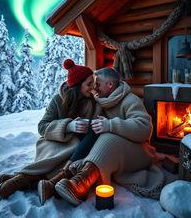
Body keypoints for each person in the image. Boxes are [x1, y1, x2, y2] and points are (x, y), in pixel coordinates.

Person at [0, 59, 101, 205]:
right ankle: (22, 179)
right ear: (77, 85)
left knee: (75, 153)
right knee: (59, 155)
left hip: (75, 146)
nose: (93, 88)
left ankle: (27, 181)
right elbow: (42, 127)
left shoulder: (92, 102)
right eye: (89, 84)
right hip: (53, 143)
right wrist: (68, 126)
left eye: (93, 83)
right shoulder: (58, 99)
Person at [55, 67, 164, 206]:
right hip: (116, 152)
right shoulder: (102, 101)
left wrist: (111, 125)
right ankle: (73, 180)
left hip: (138, 152)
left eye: (98, 84)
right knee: (99, 136)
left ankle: (80, 185)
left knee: (108, 138)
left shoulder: (130, 100)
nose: (95, 88)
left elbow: (145, 129)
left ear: (110, 84)